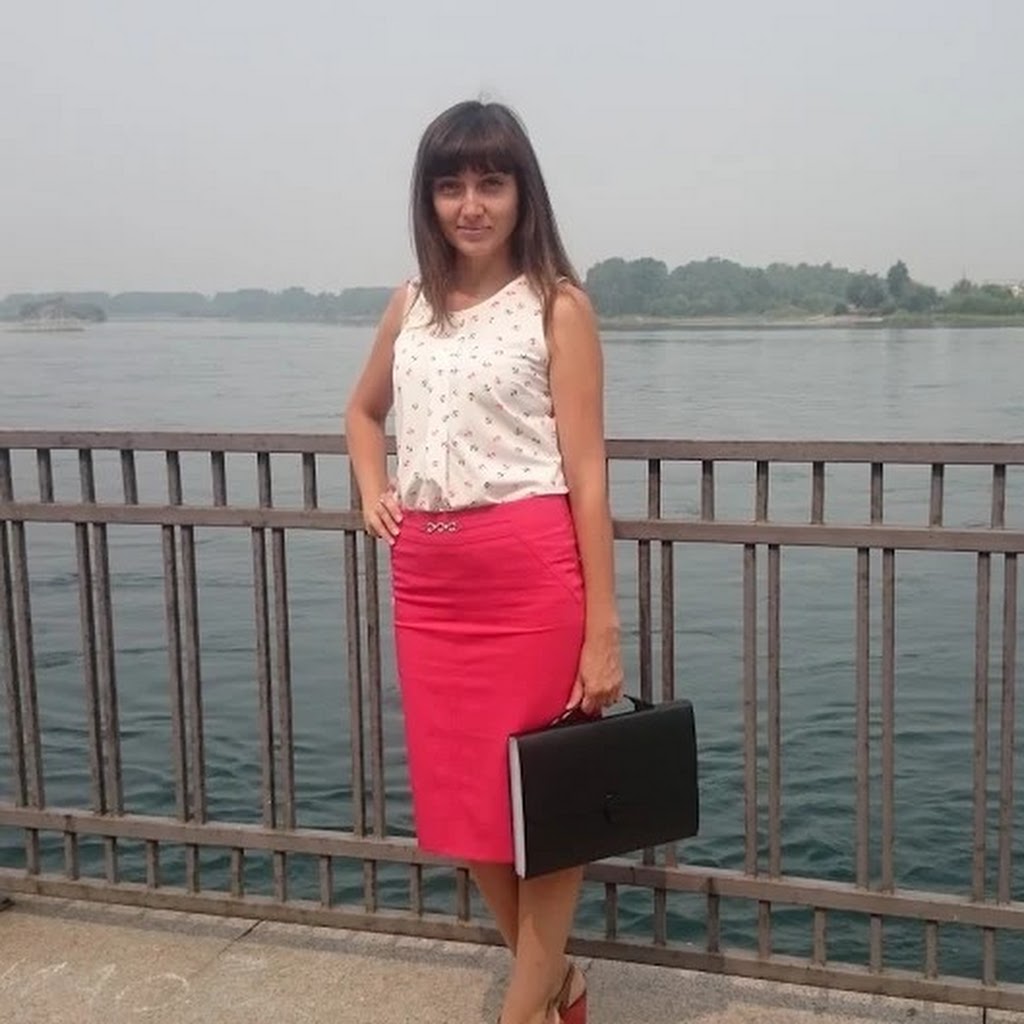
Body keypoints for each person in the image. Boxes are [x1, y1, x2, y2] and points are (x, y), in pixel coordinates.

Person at [345, 99, 623, 1024]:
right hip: (428, 584)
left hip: (527, 576)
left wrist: (603, 628)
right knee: (468, 807)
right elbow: (362, 411)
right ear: (427, 199)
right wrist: (371, 486)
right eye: (450, 185)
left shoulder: (558, 306)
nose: (471, 204)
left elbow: (588, 474)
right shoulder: (410, 304)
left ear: (522, 193)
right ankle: (558, 983)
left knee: (546, 802)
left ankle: (522, 1011)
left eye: (491, 183)